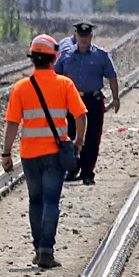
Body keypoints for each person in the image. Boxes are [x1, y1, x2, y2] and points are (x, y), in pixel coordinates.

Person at [2, 34, 88, 269]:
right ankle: (46, 251)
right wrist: (78, 142)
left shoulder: (21, 87)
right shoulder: (65, 84)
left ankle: (38, 248)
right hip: (54, 154)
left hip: (29, 154)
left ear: (32, 60)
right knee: (51, 201)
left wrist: (6, 153)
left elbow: (12, 122)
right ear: (54, 58)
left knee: (35, 201)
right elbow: (81, 115)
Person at [55, 21, 120, 184]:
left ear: (91, 36)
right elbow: (55, 77)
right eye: (81, 36)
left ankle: (87, 172)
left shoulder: (101, 55)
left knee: (92, 137)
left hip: (93, 100)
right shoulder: (66, 55)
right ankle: (71, 169)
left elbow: (112, 76)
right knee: (69, 135)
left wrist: (116, 97)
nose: (83, 39)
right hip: (71, 100)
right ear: (75, 36)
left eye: (86, 36)